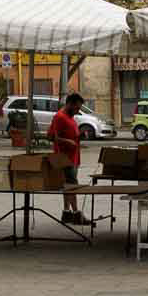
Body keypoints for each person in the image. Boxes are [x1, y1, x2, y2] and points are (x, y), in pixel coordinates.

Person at [47, 92, 90, 225]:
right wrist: (67, 141)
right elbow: (51, 137)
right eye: (77, 108)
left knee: (68, 186)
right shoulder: (60, 117)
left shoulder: (70, 117)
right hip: (65, 159)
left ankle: (66, 212)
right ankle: (76, 213)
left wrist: (79, 136)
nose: (78, 111)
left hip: (73, 157)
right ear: (70, 104)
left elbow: (70, 135)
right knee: (72, 186)